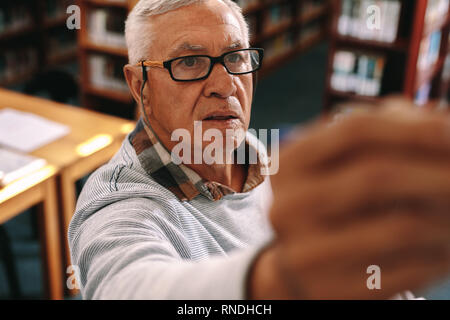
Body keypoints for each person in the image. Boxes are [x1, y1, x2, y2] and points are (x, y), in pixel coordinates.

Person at [68, 0, 450, 299]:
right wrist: (286, 280)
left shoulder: (257, 152)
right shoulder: (117, 206)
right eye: (189, 62)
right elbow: (129, 287)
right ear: (140, 87)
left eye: (235, 57)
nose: (226, 84)